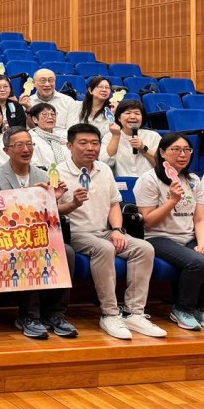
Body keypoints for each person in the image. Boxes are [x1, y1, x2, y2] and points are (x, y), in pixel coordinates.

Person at [57, 123, 165, 340]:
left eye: (95, 143)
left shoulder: (104, 169)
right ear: (69, 145)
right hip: (75, 234)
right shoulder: (58, 172)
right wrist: (73, 205)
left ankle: (133, 312)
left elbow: (114, 204)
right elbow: (53, 210)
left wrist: (117, 229)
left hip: (104, 230)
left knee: (144, 248)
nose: (90, 148)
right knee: (104, 248)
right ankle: (109, 314)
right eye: (83, 143)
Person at [0, 127, 79, 340]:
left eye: (29, 144)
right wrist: (30, 197)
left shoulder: (43, 174)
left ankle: (55, 314)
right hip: (6, 238)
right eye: (19, 145)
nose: (26, 149)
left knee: (68, 252)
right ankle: (28, 316)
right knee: (30, 252)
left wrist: (52, 199)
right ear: (7, 149)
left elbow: (50, 216)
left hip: (38, 235)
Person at [135, 133, 204, 331]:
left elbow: (200, 218)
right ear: (162, 153)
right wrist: (172, 201)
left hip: (187, 236)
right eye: (176, 150)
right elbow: (149, 221)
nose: (182, 154)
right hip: (158, 238)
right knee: (198, 263)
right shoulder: (150, 179)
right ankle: (182, 309)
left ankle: (200, 309)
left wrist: (202, 244)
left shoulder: (193, 180)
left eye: (187, 150)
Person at [103, 100, 160, 176]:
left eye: (137, 113)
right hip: (123, 184)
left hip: (148, 183)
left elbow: (162, 165)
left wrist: (143, 149)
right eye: (128, 113)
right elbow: (105, 163)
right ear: (119, 118)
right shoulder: (109, 136)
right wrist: (116, 136)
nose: (132, 117)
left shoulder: (153, 136)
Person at [22, 69, 78, 133]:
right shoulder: (27, 103)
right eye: (43, 80)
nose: (47, 84)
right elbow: (28, 130)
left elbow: (73, 130)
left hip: (63, 140)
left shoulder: (68, 101)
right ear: (34, 83)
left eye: (51, 80)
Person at [29, 102, 68, 169]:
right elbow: (34, 165)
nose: (50, 117)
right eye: (45, 114)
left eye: (53, 114)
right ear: (35, 119)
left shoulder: (60, 137)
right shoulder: (30, 139)